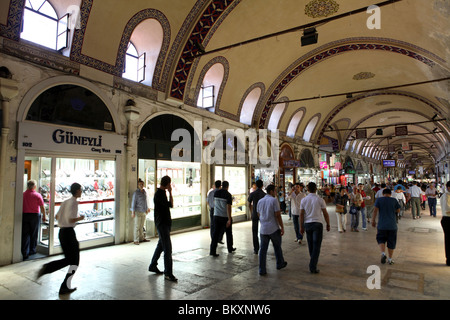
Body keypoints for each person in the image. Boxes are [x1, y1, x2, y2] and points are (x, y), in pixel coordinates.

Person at [37, 183, 84, 294]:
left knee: (70, 260)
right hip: (68, 233)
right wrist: (80, 218)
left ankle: (63, 284)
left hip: (62, 232)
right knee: (74, 261)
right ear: (77, 191)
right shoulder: (73, 203)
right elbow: (70, 220)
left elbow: (57, 216)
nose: (81, 192)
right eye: (80, 190)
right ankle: (50, 270)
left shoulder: (65, 202)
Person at [148, 176, 177, 282]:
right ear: (167, 184)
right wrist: (169, 192)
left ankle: (153, 265)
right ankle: (168, 273)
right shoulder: (159, 194)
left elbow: (171, 205)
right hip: (162, 224)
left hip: (165, 224)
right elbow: (168, 205)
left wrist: (170, 193)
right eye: (169, 184)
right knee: (167, 249)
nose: (170, 186)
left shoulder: (163, 193)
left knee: (161, 245)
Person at [300, 182, 331, 274]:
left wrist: (301, 227)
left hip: (308, 224)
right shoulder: (320, 200)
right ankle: (313, 265)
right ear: (316, 189)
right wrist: (328, 224)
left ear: (308, 189)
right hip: (317, 224)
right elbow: (325, 213)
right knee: (316, 246)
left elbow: (301, 214)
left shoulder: (304, 200)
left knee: (311, 245)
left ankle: (313, 260)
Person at [257, 184, 287, 275]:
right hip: (273, 228)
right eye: (274, 191)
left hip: (263, 229)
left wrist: (263, 221)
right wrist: (281, 226)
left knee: (263, 250)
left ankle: (262, 269)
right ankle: (279, 263)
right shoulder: (274, 200)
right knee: (277, 247)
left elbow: (258, 213)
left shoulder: (260, 201)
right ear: (271, 191)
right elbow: (278, 214)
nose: (275, 192)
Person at [371, 188, 401, 265]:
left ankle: (383, 254)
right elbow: (398, 210)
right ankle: (390, 259)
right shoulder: (394, 200)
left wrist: (373, 220)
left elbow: (375, 210)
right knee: (391, 242)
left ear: (383, 194)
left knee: (381, 239)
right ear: (390, 194)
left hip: (382, 225)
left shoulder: (379, 200)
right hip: (392, 225)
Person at [22, 180, 47, 260]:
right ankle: (32, 250)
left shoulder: (23, 194)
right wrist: (44, 216)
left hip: (25, 215)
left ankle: (25, 252)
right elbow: (42, 207)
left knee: (25, 234)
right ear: (35, 187)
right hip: (34, 216)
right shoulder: (37, 195)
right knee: (34, 233)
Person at [210, 180, 235, 256]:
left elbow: (214, 203)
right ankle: (230, 248)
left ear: (221, 185)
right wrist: (229, 219)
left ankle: (212, 251)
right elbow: (228, 208)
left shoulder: (216, 193)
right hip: (224, 217)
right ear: (227, 186)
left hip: (216, 216)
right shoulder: (228, 195)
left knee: (215, 234)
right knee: (229, 233)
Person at [248, 180, 266, 254]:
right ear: (262, 185)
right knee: (264, 231)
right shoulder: (264, 194)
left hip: (255, 214)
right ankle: (264, 247)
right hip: (263, 214)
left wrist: (251, 212)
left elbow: (249, 204)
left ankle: (256, 248)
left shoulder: (252, 194)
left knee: (254, 231)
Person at [130, 178, 150, 245]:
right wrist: (133, 212)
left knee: (142, 226)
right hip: (137, 211)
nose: (141, 185)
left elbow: (145, 201)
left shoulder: (144, 192)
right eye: (140, 184)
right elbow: (133, 202)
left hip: (143, 211)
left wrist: (147, 208)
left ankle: (142, 238)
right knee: (137, 226)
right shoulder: (136, 193)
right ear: (138, 185)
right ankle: (136, 240)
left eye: (142, 184)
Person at [440, 181, 450, 266]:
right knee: (448, 239)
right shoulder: (445, 196)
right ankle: (449, 259)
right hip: (447, 219)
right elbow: (447, 208)